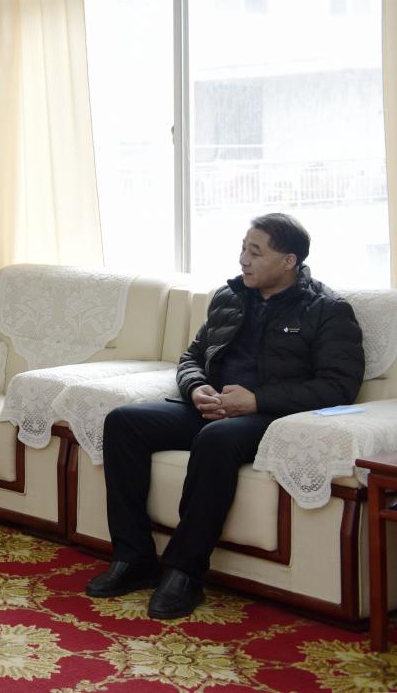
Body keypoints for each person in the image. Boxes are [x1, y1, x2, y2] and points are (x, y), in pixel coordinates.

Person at [86, 213, 364, 619]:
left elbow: (339, 386)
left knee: (215, 439)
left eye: (256, 252)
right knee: (123, 422)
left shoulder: (327, 310)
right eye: (243, 249)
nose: (243, 260)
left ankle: (184, 572)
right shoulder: (229, 297)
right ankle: (134, 558)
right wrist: (196, 387)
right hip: (213, 405)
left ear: (289, 261)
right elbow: (191, 357)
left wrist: (256, 400)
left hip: (272, 417)